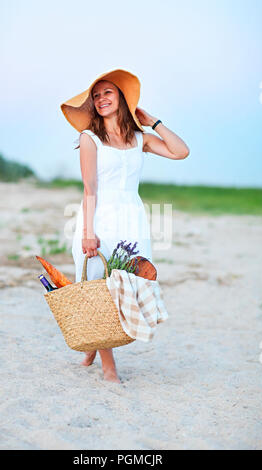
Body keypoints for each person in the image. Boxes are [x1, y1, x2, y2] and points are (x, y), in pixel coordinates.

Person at [60, 69, 190, 383]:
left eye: (108, 93)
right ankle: (109, 366)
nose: (102, 99)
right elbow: (89, 188)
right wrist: (88, 232)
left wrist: (153, 122)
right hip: (100, 215)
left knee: (127, 284)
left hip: (132, 216)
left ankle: (93, 345)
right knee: (99, 284)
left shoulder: (139, 139)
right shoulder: (89, 138)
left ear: (121, 97)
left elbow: (180, 151)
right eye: (96, 95)